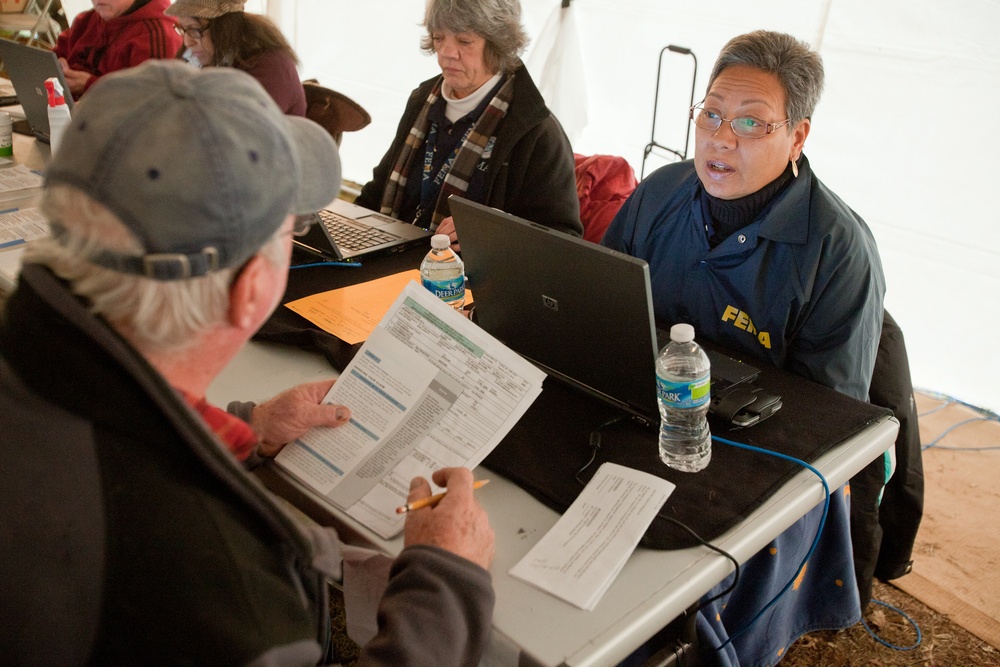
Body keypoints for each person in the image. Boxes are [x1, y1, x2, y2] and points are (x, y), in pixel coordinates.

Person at [0, 61, 495, 666]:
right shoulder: (227, 597)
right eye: (289, 231)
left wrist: (242, 426)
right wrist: (446, 583)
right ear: (251, 287)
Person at [602, 31, 886, 664]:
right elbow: (604, 301)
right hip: (649, 407)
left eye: (752, 124)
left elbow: (825, 428)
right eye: (711, 115)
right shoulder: (662, 191)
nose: (721, 138)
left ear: (799, 137)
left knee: (669, 599)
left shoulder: (837, 250)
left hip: (758, 456)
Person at [354, 0, 582, 249]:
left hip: (465, 283)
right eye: (439, 38)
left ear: (499, 44)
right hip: (390, 265)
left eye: (464, 41)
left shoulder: (536, 131)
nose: (446, 52)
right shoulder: (421, 100)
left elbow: (563, 240)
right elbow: (376, 193)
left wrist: (491, 233)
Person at [166, 0, 307, 116]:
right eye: (183, 29)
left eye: (194, 29)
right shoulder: (197, 51)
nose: (186, 41)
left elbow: (236, 130)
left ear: (224, 27)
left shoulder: (271, 67)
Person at [54, 0, 182, 98]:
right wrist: (55, 66)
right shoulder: (88, 20)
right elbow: (48, 58)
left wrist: (89, 86)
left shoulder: (158, 34)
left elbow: (152, 104)